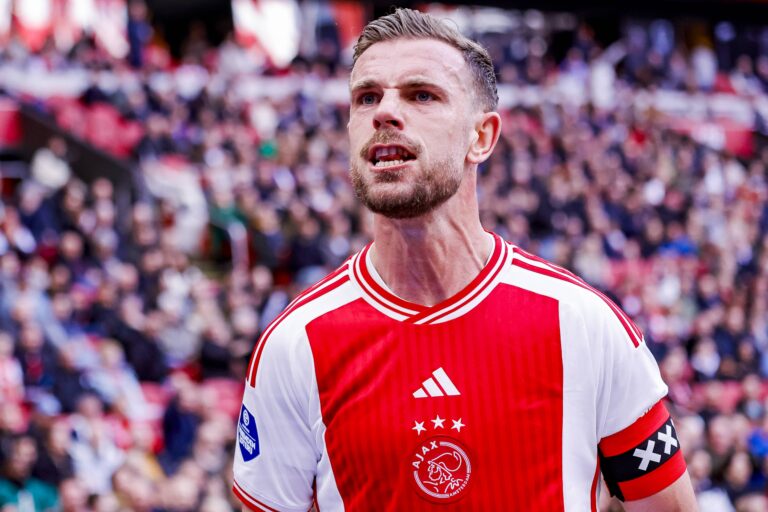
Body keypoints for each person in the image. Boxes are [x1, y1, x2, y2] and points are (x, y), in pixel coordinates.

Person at [232, 8, 697, 511]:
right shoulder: (294, 346)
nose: (385, 112)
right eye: (367, 97)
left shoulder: (584, 324)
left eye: (421, 95)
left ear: (482, 137)